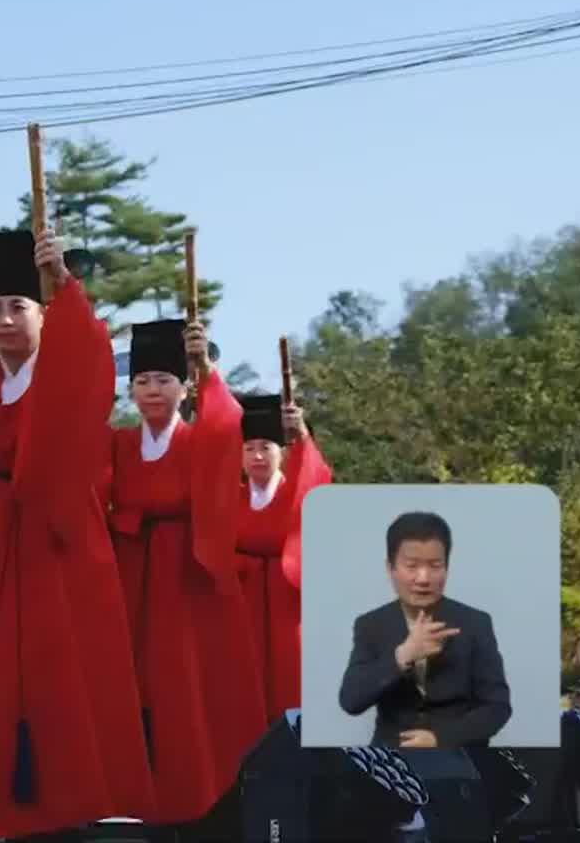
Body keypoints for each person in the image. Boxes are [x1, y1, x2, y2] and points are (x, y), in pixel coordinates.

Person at [0, 229, 155, 837]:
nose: (3, 321)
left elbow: (88, 353)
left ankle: (64, 803)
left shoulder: (63, 370)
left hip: (53, 539)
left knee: (55, 676)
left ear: (44, 312)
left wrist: (67, 285)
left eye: (19, 306)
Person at [105, 319, 266, 826]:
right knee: (132, 684)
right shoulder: (119, 444)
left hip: (184, 575)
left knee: (183, 683)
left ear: (184, 388)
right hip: (131, 571)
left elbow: (227, 425)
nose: (153, 391)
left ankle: (194, 794)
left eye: (165, 381)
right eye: (143, 381)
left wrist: (209, 370)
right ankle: (135, 793)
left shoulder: (201, 439)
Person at [338, 511, 512, 748]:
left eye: (435, 566)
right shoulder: (370, 624)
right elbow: (350, 701)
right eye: (411, 566)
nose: (423, 578)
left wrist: (440, 739)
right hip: (392, 761)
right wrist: (403, 655)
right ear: (391, 569)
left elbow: (497, 707)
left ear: (447, 568)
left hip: (458, 757)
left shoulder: (475, 623)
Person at [233, 393, 331, 721]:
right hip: (242, 601)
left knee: (292, 679)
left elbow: (313, 474)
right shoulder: (231, 496)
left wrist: (301, 434)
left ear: (282, 452)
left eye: (267, 447)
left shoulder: (295, 492)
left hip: (287, 600)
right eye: (249, 448)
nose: (258, 456)